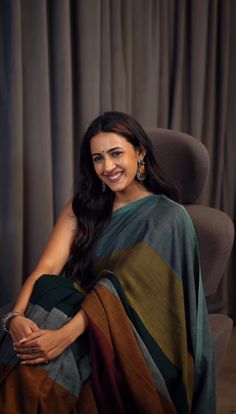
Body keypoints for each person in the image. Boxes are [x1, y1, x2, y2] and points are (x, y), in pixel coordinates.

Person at [0, 111, 216, 413]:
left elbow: (128, 291)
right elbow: (47, 268)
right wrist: (15, 319)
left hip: (127, 333)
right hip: (77, 310)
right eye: (97, 158)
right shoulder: (83, 206)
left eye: (116, 154)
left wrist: (63, 336)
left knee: (40, 377)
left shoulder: (168, 218)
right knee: (43, 312)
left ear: (139, 153)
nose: (107, 167)